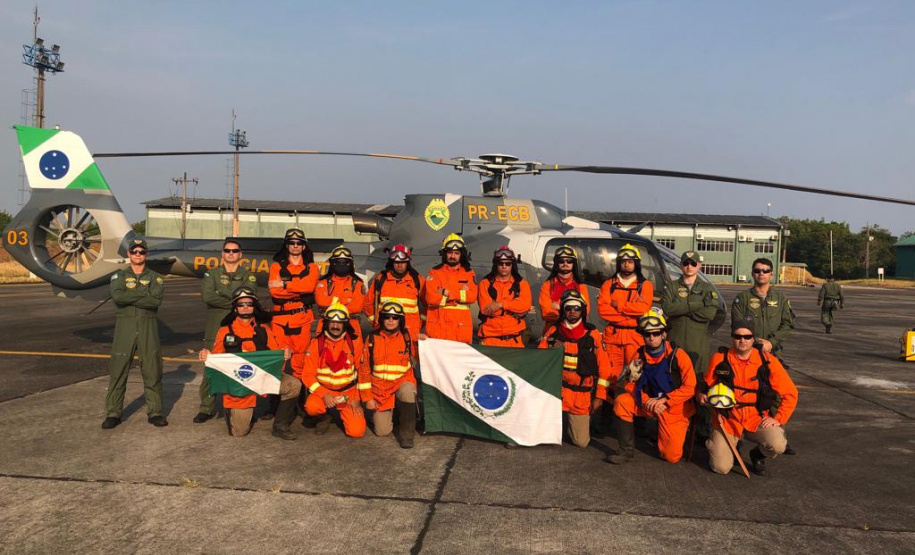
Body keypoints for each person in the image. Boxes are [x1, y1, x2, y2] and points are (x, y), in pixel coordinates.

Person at [698, 319, 799, 476]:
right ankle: (729, 444)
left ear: (753, 338)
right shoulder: (719, 359)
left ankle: (757, 455)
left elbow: (790, 393)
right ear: (732, 338)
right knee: (721, 467)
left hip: (756, 418)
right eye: (738, 337)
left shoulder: (768, 361)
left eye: (747, 336)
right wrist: (701, 394)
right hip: (728, 420)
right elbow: (706, 385)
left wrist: (779, 418)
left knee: (778, 444)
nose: (742, 340)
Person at [198, 287, 290, 437]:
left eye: (249, 303)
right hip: (239, 384)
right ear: (235, 308)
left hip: (260, 378)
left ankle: (281, 424)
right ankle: (233, 412)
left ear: (254, 307)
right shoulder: (224, 331)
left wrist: (284, 354)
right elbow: (216, 358)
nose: (245, 307)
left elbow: (276, 354)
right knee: (240, 432)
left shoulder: (264, 330)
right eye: (241, 304)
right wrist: (207, 356)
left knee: (293, 385)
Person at [608, 308, 696, 464]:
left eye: (656, 333)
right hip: (649, 403)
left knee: (671, 457)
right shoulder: (638, 356)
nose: (651, 337)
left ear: (663, 334)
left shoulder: (678, 356)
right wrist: (647, 400)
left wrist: (664, 401)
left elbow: (690, 387)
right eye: (647, 334)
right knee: (622, 402)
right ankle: (625, 451)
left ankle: (673, 432)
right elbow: (629, 384)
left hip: (673, 408)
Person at [538, 290, 618, 448]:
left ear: (582, 310)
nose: (572, 311)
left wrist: (600, 397)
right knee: (547, 437)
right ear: (563, 310)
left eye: (576, 308)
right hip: (556, 392)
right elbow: (539, 361)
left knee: (581, 442)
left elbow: (605, 369)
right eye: (568, 308)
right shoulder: (553, 332)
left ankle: (571, 424)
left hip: (580, 395)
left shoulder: (593, 334)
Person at [102, 239, 167, 429]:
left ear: (146, 254)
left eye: (141, 251)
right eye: (134, 251)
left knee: (152, 369)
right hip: (125, 326)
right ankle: (113, 413)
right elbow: (118, 297)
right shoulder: (119, 277)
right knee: (118, 370)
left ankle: (155, 412)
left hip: (148, 326)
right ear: (128, 254)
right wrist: (143, 294)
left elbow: (155, 301)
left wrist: (134, 296)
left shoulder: (156, 277)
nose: (138, 254)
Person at [196, 238, 258, 424]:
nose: (231, 253)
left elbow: (249, 296)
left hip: (241, 326)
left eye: (234, 250)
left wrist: (221, 294)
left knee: (243, 366)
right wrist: (235, 300)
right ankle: (206, 408)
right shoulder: (211, 274)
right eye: (227, 250)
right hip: (216, 325)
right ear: (222, 253)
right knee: (211, 365)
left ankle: (243, 404)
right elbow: (207, 297)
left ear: (241, 254)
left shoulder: (249, 276)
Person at [661, 250, 719, 440]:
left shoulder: (707, 288)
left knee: (700, 384)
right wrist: (694, 305)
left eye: (693, 263)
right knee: (672, 382)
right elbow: (668, 309)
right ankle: (670, 423)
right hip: (675, 341)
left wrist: (682, 308)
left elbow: (709, 314)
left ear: (699, 266)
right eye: (686, 263)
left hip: (697, 343)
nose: (689, 266)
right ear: (680, 265)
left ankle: (701, 428)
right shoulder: (671, 286)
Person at [267, 228, 319, 419]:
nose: (295, 246)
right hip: (280, 321)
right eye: (291, 243)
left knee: (300, 363)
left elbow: (310, 286)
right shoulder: (276, 266)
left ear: (304, 246)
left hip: (302, 319)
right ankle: (274, 405)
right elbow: (274, 292)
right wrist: (296, 289)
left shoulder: (311, 267)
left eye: (298, 243)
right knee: (278, 361)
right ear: (286, 245)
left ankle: (299, 404)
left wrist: (285, 285)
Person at [300, 302, 369, 437]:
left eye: (339, 323)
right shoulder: (316, 343)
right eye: (332, 322)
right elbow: (307, 375)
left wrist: (358, 398)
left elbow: (363, 372)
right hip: (325, 392)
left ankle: (343, 413)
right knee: (312, 407)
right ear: (326, 323)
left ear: (345, 324)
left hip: (348, 393)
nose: (336, 326)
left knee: (357, 432)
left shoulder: (354, 343)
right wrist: (324, 394)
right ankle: (324, 416)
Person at [364, 301, 418, 448]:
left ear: (400, 320)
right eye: (387, 317)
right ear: (382, 318)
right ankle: (387, 412)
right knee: (382, 432)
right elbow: (364, 370)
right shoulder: (372, 339)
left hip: (402, 383)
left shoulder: (407, 337)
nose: (391, 320)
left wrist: (423, 343)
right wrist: (368, 398)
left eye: (395, 317)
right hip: (381, 390)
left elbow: (421, 358)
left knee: (408, 392)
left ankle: (407, 435)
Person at [598, 243, 654, 369]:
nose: (626, 264)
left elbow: (643, 308)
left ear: (636, 263)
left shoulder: (645, 285)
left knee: (635, 374)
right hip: (613, 336)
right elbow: (603, 310)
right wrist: (629, 317)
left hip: (635, 337)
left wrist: (619, 305)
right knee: (609, 373)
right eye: (623, 261)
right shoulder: (609, 284)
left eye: (630, 261)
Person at [731, 258, 795, 356]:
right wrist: (757, 342)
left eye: (765, 271)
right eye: (757, 271)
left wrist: (771, 342)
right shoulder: (742, 298)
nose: (761, 273)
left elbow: (787, 324)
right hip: (748, 352)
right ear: (752, 273)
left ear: (771, 274)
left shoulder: (781, 298)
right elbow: (737, 325)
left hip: (773, 352)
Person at [424, 234, 478, 343]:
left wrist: (446, 293)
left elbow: (472, 297)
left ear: (461, 254)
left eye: (456, 253)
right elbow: (431, 298)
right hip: (438, 333)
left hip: (460, 334)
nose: (453, 256)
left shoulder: (468, 273)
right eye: (449, 252)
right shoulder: (434, 273)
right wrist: (460, 294)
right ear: (444, 253)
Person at [365, 244, 425, 343]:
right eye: (396, 262)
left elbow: (429, 304)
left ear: (407, 262)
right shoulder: (381, 279)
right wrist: (376, 323)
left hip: (410, 334)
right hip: (385, 333)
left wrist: (418, 324)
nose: (399, 265)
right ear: (392, 262)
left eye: (403, 262)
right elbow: (368, 303)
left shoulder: (416, 280)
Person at [477, 246, 532, 347]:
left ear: (512, 265)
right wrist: (514, 309)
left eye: (508, 263)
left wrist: (501, 304)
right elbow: (486, 309)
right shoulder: (485, 284)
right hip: (490, 340)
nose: (504, 266)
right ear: (495, 264)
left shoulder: (522, 284)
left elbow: (525, 305)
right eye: (500, 263)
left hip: (514, 341)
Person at [315, 246, 366, 339]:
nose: (341, 265)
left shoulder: (358, 284)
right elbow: (321, 302)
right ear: (332, 264)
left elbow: (357, 307)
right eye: (337, 262)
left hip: (352, 327)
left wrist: (332, 301)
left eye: (345, 262)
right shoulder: (323, 282)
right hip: (326, 326)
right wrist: (346, 300)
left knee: (352, 353)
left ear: (351, 264)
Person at [538, 245, 589, 327]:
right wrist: (571, 310)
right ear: (556, 263)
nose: (565, 264)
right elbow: (546, 313)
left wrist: (558, 306)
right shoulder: (547, 285)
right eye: (561, 261)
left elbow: (585, 311)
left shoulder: (581, 286)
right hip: (553, 331)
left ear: (574, 264)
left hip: (575, 332)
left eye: (569, 261)